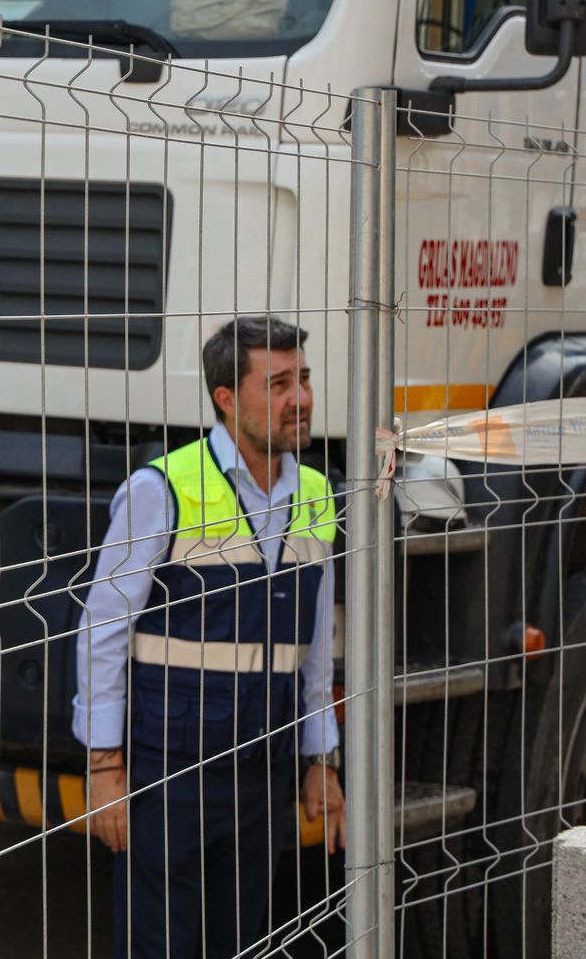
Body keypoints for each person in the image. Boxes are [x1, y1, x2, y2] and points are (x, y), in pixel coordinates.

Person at [74, 316, 347, 959]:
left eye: (303, 379)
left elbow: (313, 643)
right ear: (227, 398)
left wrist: (319, 760)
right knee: (158, 945)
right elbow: (103, 628)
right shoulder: (161, 488)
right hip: (170, 767)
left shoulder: (313, 493)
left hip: (264, 770)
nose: (300, 399)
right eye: (278, 383)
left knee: (240, 943)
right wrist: (105, 766)